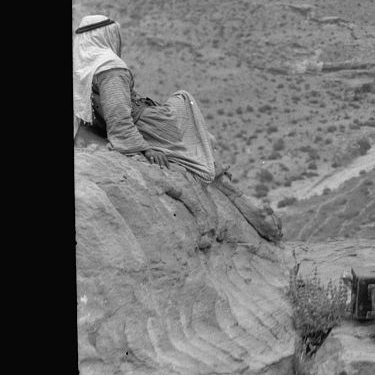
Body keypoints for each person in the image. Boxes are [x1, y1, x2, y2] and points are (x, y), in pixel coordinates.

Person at [73, 14, 281, 241]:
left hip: (132, 121)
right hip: (146, 124)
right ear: (106, 36)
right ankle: (226, 184)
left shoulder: (83, 66)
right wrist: (145, 149)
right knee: (184, 102)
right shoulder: (110, 68)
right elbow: (119, 118)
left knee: (193, 124)